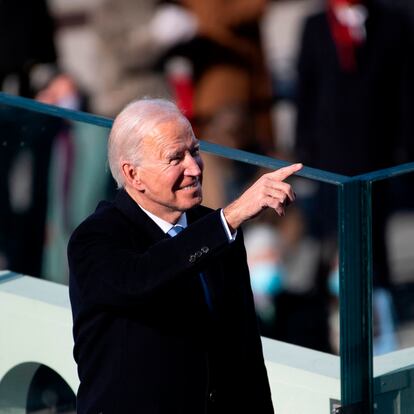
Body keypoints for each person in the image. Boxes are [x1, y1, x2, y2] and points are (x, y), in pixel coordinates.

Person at [68, 98, 302, 413]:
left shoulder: (218, 231)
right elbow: (142, 278)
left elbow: (245, 352)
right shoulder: (95, 238)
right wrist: (228, 219)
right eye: (175, 158)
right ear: (133, 175)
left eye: (194, 151)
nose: (193, 168)